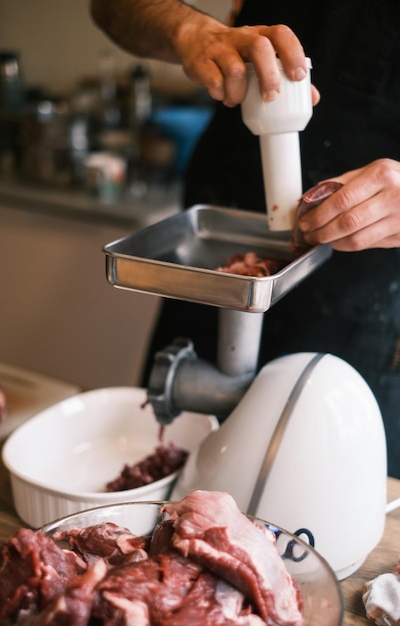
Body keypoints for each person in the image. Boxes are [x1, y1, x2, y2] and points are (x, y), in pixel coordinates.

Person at [91, 0, 400, 478]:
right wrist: (187, 27)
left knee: (321, 500)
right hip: (212, 272)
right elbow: (111, 8)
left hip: (365, 311)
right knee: (160, 495)